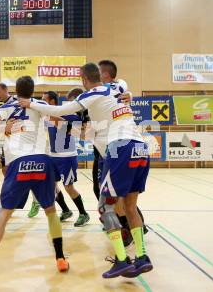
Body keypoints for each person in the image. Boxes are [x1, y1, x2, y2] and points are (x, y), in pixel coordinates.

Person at [19, 63, 153, 279]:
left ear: (83, 78)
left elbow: (61, 110)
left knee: (104, 208)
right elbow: (124, 87)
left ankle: (121, 259)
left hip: (121, 148)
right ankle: (142, 256)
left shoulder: (92, 93)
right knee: (130, 206)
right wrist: (129, 94)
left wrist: (31, 104)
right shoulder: (116, 88)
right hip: (140, 147)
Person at [0, 76, 69, 276]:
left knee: (4, 213)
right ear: (33, 89)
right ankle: (60, 258)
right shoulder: (41, 104)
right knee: (51, 210)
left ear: (15, 90)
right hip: (43, 161)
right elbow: (61, 123)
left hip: (19, 163)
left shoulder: (7, 108)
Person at [98, 60, 147, 245]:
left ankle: (124, 232)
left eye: (99, 72)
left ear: (105, 74)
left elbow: (122, 87)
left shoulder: (110, 89)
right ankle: (134, 235)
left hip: (116, 148)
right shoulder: (109, 92)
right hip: (117, 146)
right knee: (125, 199)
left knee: (111, 198)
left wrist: (130, 95)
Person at [42, 91, 90, 226]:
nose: (41, 102)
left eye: (44, 99)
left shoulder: (70, 115)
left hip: (67, 157)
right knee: (51, 186)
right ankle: (65, 210)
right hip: (52, 156)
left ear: (51, 102)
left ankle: (83, 213)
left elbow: (72, 128)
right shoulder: (46, 117)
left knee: (68, 186)